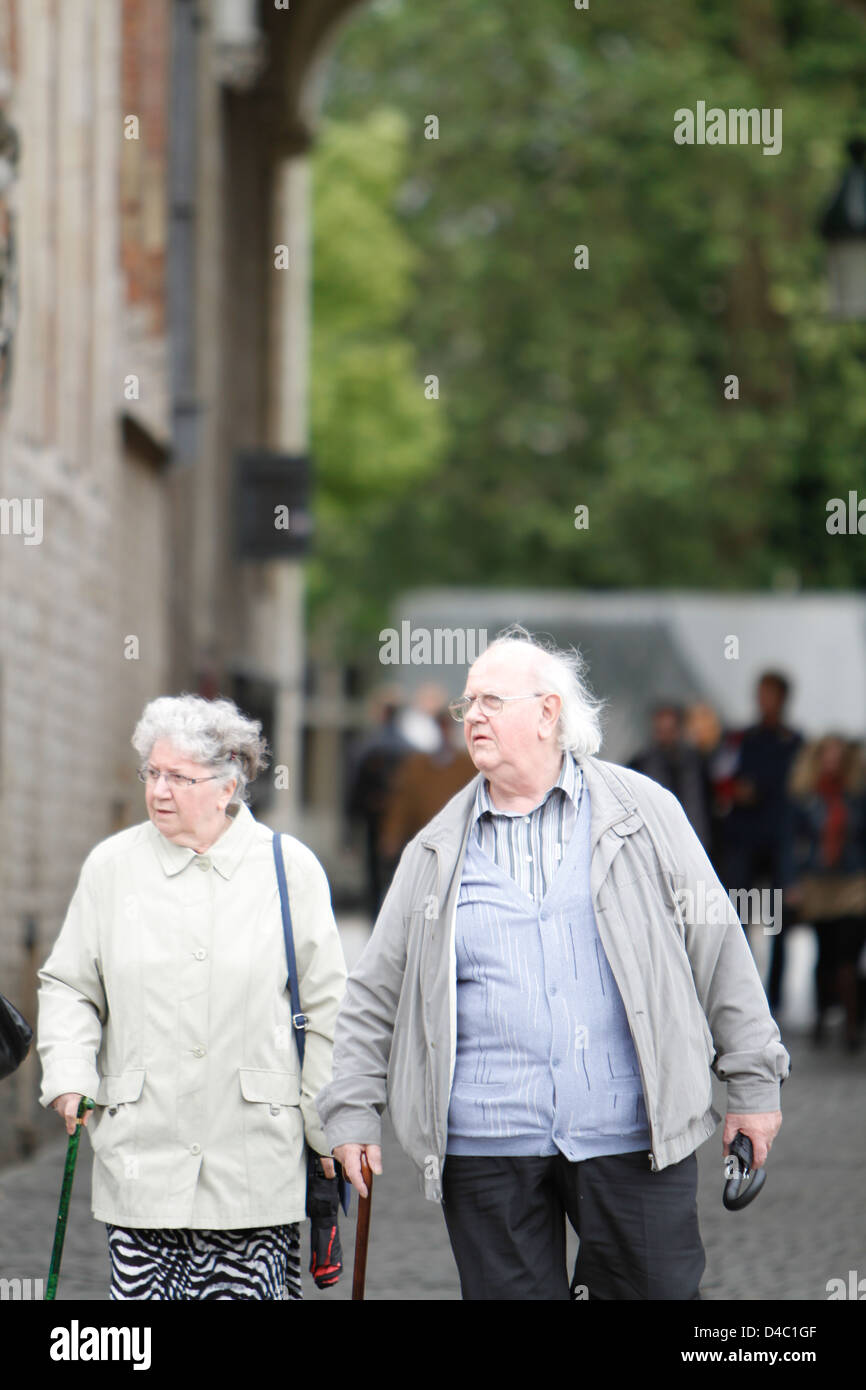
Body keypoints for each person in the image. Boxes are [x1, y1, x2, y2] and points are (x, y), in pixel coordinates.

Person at [316, 625, 790, 1301]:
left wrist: (754, 1083)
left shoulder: (642, 815)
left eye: (491, 700)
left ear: (547, 713)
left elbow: (717, 946)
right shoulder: (436, 850)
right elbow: (373, 992)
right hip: (488, 1144)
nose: (472, 714)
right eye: (467, 703)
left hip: (632, 1131)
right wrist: (353, 1111)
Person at [37, 694, 347, 1300]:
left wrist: (330, 1126)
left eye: (179, 777)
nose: (158, 791)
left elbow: (330, 1009)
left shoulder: (289, 870)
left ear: (229, 783)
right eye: (151, 773)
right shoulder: (112, 868)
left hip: (253, 1162)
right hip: (142, 1160)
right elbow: (70, 985)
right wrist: (71, 1073)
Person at [719, 672, 803, 1009]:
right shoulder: (742, 739)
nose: (763, 700)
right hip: (745, 841)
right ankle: (744, 995)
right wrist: (736, 792)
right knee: (741, 919)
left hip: (777, 842)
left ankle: (776, 998)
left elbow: (796, 790)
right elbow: (721, 776)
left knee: (777, 921)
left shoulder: (793, 742)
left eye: (770, 694)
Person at [781, 734, 866, 1052]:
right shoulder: (806, 795)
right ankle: (820, 1017)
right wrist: (792, 881)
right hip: (818, 883)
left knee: (847, 955)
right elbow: (790, 841)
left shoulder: (856, 794)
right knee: (825, 954)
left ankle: (851, 1026)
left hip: (853, 883)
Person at [379, 706, 476, 863]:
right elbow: (403, 802)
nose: (443, 732)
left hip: (458, 842)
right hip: (423, 840)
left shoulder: (468, 765)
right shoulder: (416, 765)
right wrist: (392, 837)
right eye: (440, 726)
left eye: (446, 727)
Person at [628, 701, 713, 853]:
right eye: (660, 730)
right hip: (656, 847)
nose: (665, 736)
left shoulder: (698, 762)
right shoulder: (640, 764)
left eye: (670, 730)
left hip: (696, 845)